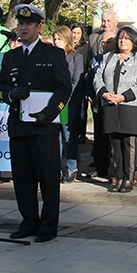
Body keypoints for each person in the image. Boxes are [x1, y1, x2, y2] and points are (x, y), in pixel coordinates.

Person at [0, 4, 71, 243]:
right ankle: (28, 221)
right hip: (19, 125)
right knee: (23, 179)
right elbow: (1, 86)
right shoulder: (10, 56)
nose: (23, 28)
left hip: (43, 127)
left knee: (48, 179)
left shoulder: (52, 54)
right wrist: (10, 94)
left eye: (28, 24)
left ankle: (48, 226)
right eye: (20, 24)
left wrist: (48, 114)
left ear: (39, 27)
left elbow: (63, 89)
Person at [93, 26, 137, 192]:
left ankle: (128, 177)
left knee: (129, 143)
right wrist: (104, 94)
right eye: (120, 38)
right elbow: (97, 77)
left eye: (126, 38)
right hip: (110, 104)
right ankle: (118, 176)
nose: (122, 41)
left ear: (133, 41)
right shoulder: (108, 57)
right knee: (115, 143)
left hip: (130, 105)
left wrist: (123, 97)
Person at [52, 26, 85, 182]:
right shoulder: (50, 57)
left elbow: (76, 80)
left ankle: (71, 167)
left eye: (59, 39)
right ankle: (55, 168)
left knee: (68, 136)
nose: (56, 42)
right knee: (55, 137)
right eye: (55, 39)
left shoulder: (76, 58)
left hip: (69, 103)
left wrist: (64, 97)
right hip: (53, 103)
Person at [87, 30, 116, 178]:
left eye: (109, 41)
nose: (105, 45)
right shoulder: (96, 60)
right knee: (100, 138)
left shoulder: (119, 58)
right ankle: (101, 168)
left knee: (115, 139)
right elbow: (91, 80)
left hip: (116, 103)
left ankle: (119, 171)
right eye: (103, 42)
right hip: (99, 102)